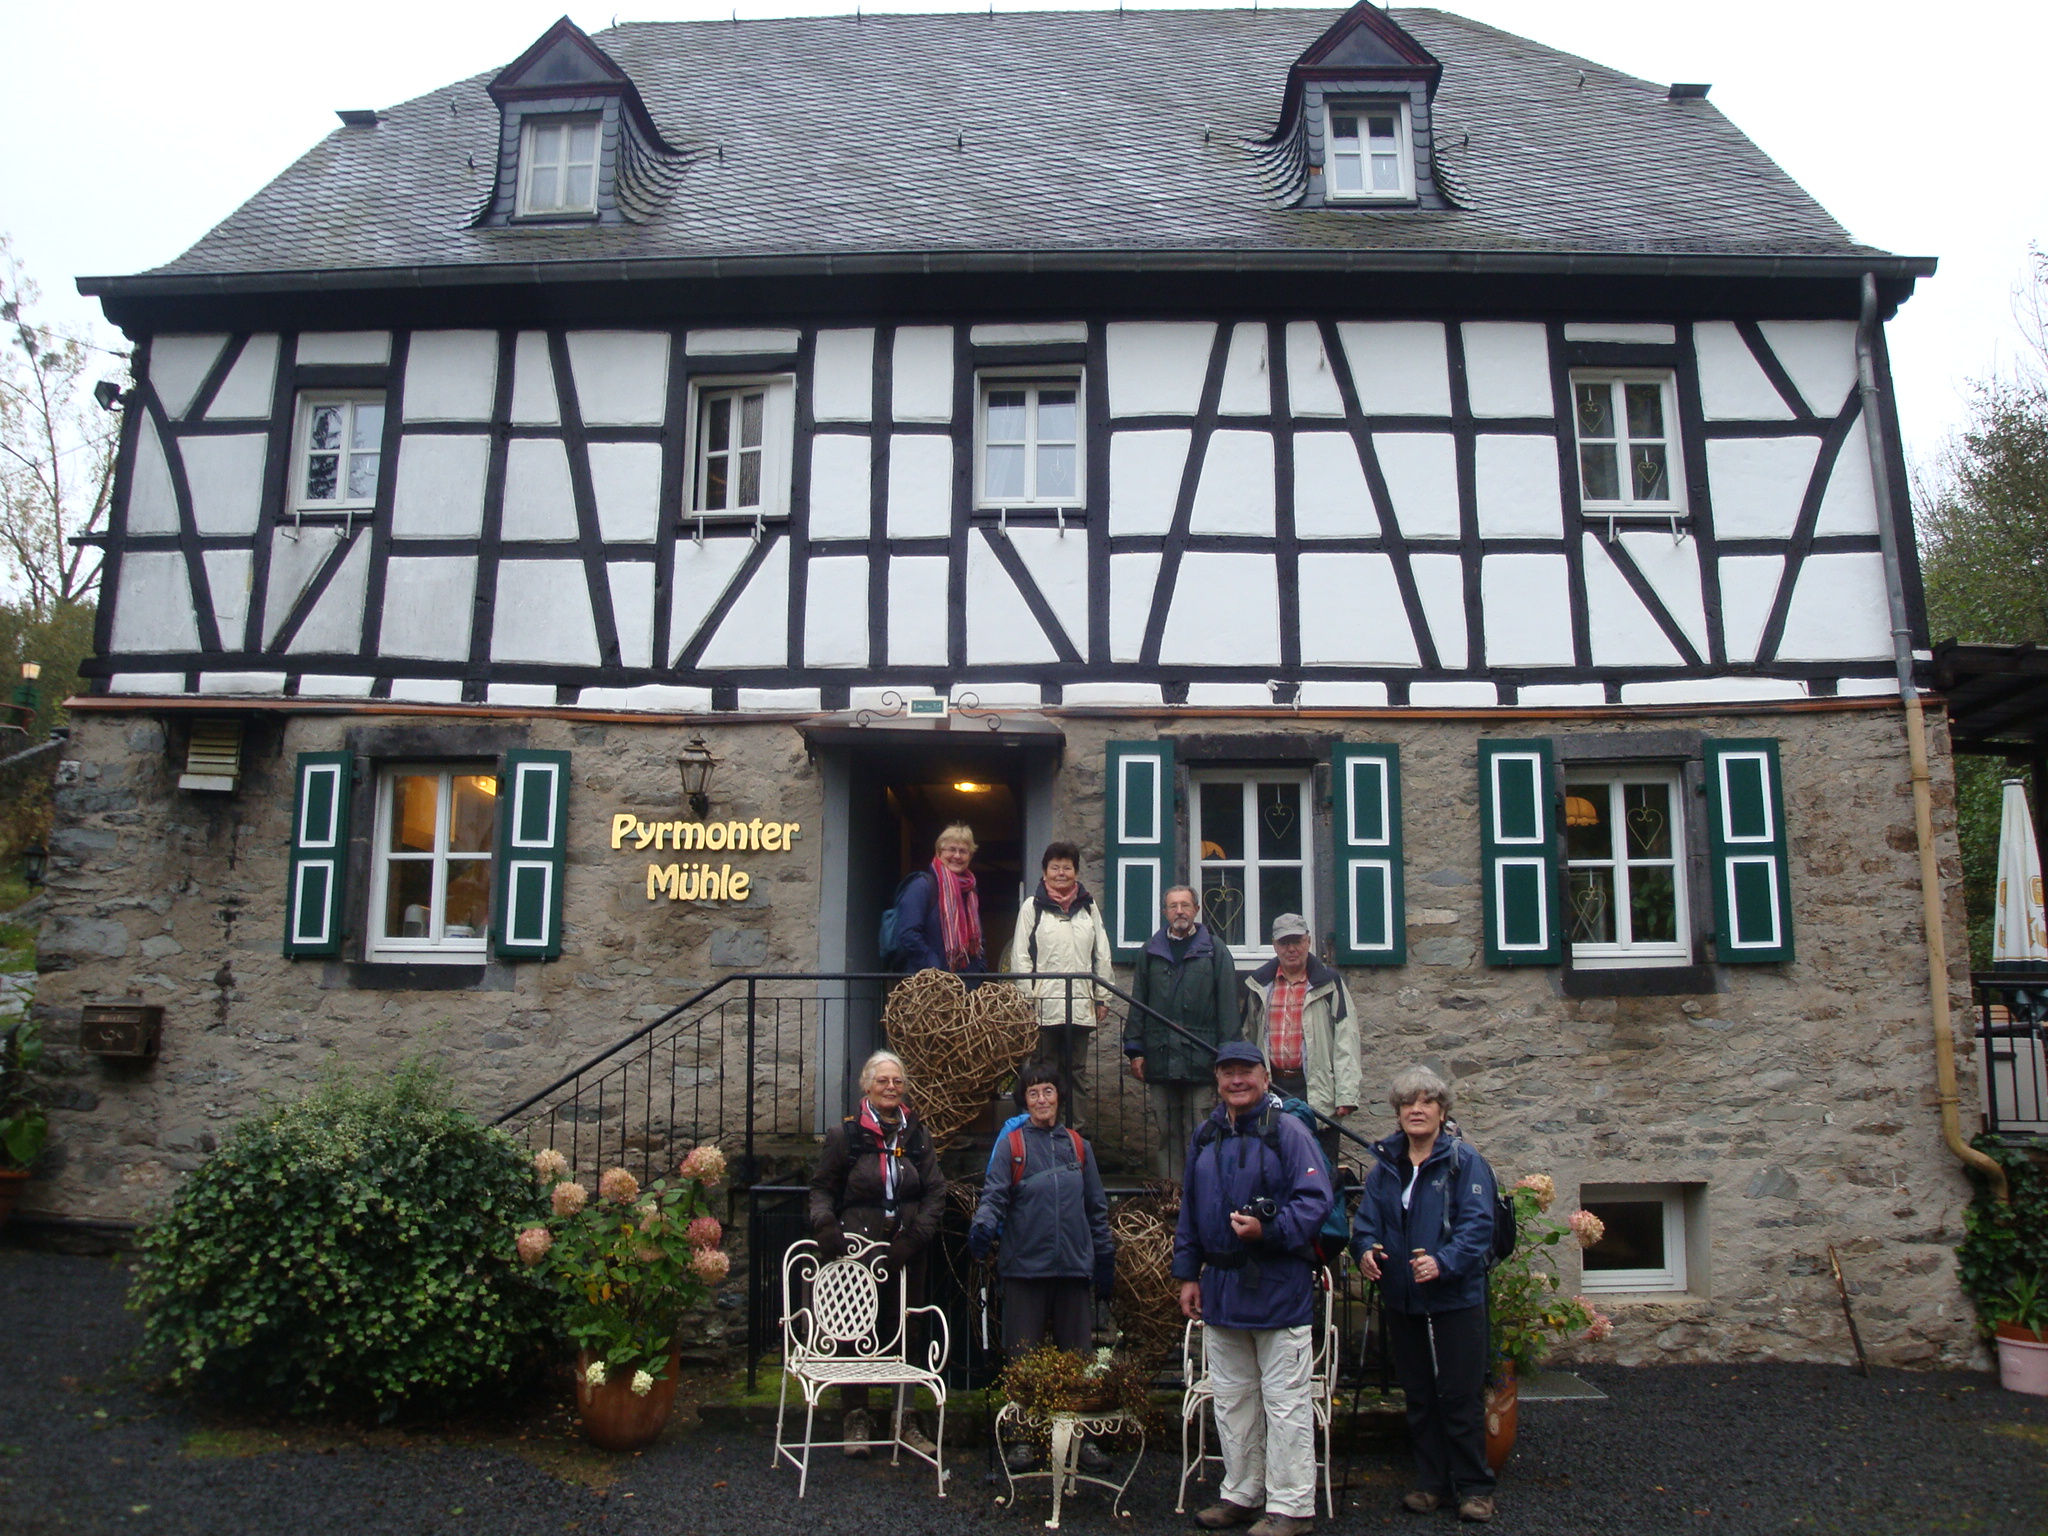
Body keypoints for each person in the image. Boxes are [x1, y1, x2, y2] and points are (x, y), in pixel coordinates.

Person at [1173, 1042, 1334, 1536]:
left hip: (1277, 1287)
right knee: (1233, 1400)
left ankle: (1292, 1506)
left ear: (1265, 1078)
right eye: (1227, 1073)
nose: (1236, 1081)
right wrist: (1187, 1274)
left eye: (1245, 1072)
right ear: (1217, 1080)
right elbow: (1190, 1212)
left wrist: (1270, 1230)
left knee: (1285, 1403)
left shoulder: (1289, 1131)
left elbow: (1316, 1200)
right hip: (1220, 1288)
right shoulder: (1206, 1136)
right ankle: (1243, 1492)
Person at [1350, 1067, 1499, 1525]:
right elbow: (1367, 1223)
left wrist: (1444, 1262)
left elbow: (1478, 1228)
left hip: (1455, 1297)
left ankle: (1474, 1488)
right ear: (1398, 1113)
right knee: (1418, 1393)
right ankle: (1432, 1484)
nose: (1417, 1110)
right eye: (1408, 1103)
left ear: (1442, 1110)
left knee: (1460, 1394)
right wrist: (1366, 1252)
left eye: (1427, 1102)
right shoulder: (1385, 1167)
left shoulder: (1464, 1161)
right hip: (1403, 1297)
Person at [968, 1062, 1118, 1473]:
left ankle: (1080, 1438)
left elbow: (1096, 1208)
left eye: (1048, 1091)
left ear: (1059, 1097)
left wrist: (1103, 1258)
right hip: (1025, 1268)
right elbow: (995, 1194)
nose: (1042, 1100)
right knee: (1023, 1359)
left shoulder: (1077, 1146)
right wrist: (982, 1227)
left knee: (1078, 1362)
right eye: (1033, 1094)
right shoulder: (1012, 1145)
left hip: (1072, 1268)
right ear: (1024, 1100)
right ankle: (1021, 1436)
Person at [806, 1049, 946, 1460]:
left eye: (897, 1081)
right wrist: (826, 1226)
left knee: (908, 1329)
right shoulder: (844, 1136)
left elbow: (936, 1191)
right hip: (855, 1248)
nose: (890, 1087)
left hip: (905, 1251)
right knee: (854, 1331)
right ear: (867, 1086)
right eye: (882, 1081)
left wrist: (915, 1238)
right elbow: (820, 1188)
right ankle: (857, 1417)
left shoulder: (918, 1135)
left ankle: (905, 1418)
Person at [1124, 885, 1242, 1180]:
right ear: (1165, 912)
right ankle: (1172, 1194)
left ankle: (1201, 1192)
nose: (1179, 911)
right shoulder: (1149, 952)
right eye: (1173, 906)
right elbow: (1139, 1002)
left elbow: (1228, 1008)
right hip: (1160, 1056)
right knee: (1166, 1130)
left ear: (1196, 910)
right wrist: (1135, 1050)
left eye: (1185, 905)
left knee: (1199, 1128)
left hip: (1201, 1058)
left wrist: (1226, 1058)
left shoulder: (1215, 951)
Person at [1005, 841, 1117, 1128]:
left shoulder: (1088, 907)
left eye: (1067, 867)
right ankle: (1045, 1129)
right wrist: (1027, 1000)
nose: (1061, 873)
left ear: (1076, 873)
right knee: (1044, 1071)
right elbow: (1020, 955)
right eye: (1055, 867)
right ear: (1045, 872)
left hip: (1080, 1005)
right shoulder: (1033, 907)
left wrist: (1101, 997)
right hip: (1044, 1006)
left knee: (1077, 1071)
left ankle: (1075, 1132)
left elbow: (1101, 953)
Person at [1241, 914, 1360, 1167]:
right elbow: (1247, 1039)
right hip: (1272, 1087)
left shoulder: (1329, 984)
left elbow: (1346, 1040)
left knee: (1321, 1167)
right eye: (1285, 943)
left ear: (1308, 941)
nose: (1291, 949)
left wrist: (1346, 1094)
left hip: (1315, 1086)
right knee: (1273, 1164)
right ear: (1274, 945)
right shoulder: (1259, 985)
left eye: (1297, 941)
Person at [892, 822, 988, 979]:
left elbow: (979, 941)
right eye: (951, 849)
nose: (957, 856)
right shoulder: (922, 886)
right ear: (938, 853)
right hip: (928, 984)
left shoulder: (970, 892)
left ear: (970, 856)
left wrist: (978, 972)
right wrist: (935, 968)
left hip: (964, 986)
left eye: (963, 851)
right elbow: (908, 934)